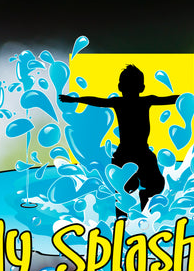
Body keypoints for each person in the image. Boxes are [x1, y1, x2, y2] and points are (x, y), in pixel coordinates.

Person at [58, 64, 178, 210]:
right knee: (137, 188)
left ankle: (132, 209)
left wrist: (74, 100)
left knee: (132, 190)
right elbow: (172, 99)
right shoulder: (137, 101)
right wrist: (193, 98)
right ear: (142, 87)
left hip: (132, 154)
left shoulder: (127, 102)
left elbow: (96, 100)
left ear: (120, 87)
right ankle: (137, 206)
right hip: (133, 153)